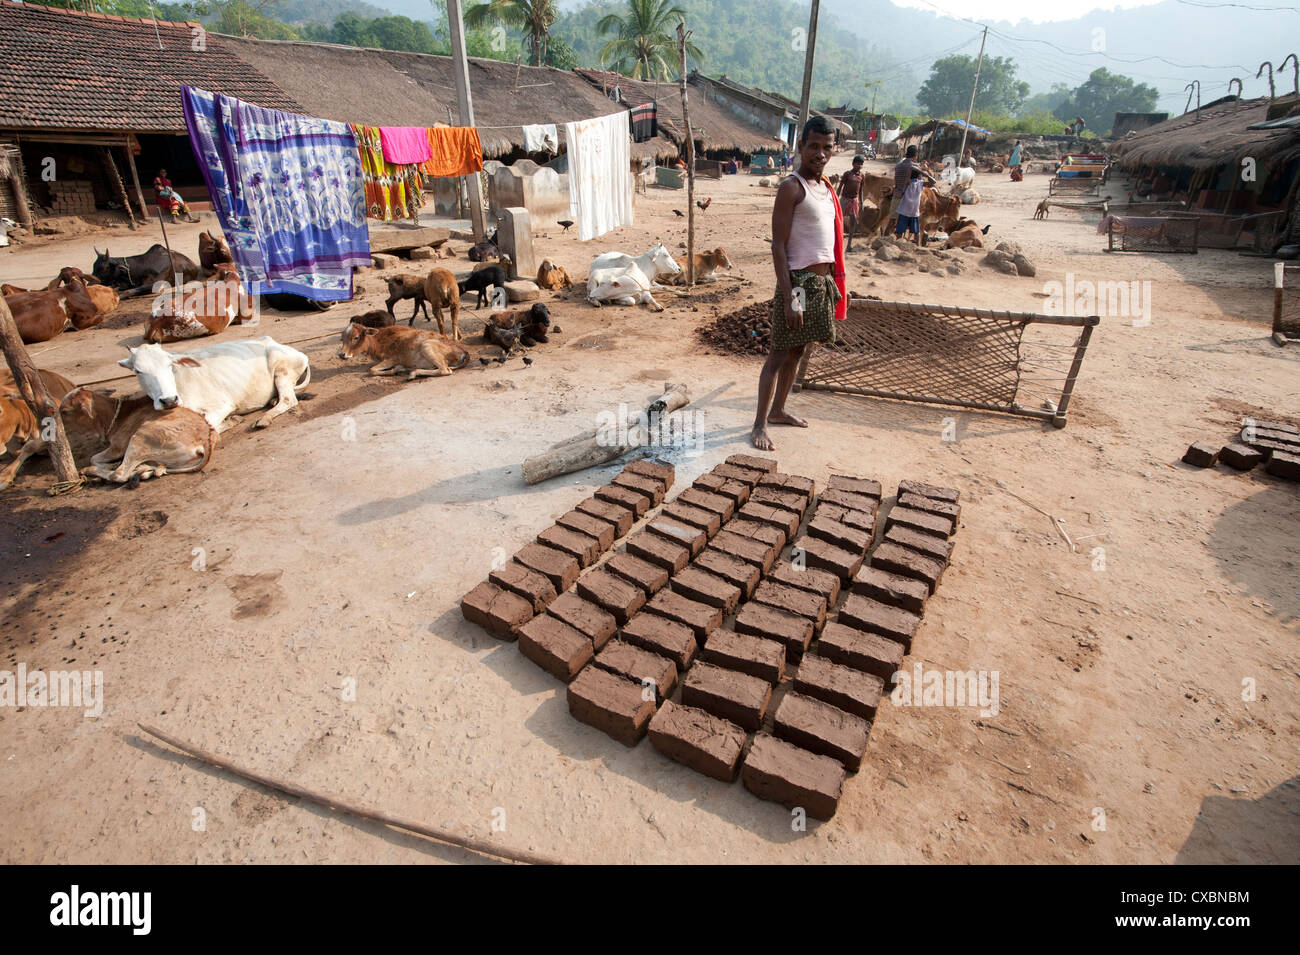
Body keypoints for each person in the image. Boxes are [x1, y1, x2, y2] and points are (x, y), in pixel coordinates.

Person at [752, 115, 844, 452]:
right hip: (799, 282)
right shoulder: (792, 188)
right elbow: (778, 246)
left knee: (799, 350)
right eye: (813, 146)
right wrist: (791, 296)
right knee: (778, 354)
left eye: (826, 147)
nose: (819, 153)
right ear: (801, 146)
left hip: (819, 282)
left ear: (834, 150)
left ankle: (779, 410)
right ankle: (760, 423)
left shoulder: (824, 187)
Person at [894, 168, 923, 245]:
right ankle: (918, 246)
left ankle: (898, 245)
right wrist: (924, 173)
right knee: (916, 232)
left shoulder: (906, 183)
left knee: (900, 231)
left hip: (904, 210)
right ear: (919, 176)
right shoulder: (920, 184)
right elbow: (933, 181)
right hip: (914, 212)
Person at [838, 155, 865, 233]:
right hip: (844, 199)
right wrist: (836, 199)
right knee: (839, 219)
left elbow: (861, 190)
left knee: (853, 222)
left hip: (854, 201)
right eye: (858, 164)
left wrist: (862, 203)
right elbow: (840, 187)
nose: (860, 166)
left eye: (861, 164)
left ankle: (849, 244)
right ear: (853, 164)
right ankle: (838, 237)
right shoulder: (847, 174)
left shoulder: (862, 176)